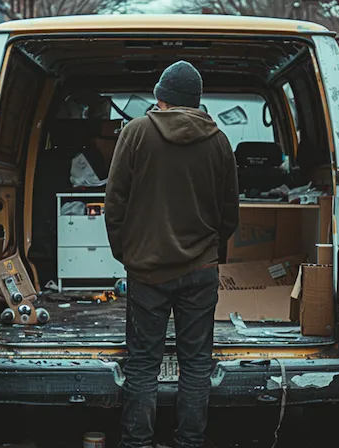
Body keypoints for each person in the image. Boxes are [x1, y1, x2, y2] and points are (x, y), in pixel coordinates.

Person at [105, 60, 239, 448]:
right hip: (200, 271)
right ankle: (189, 442)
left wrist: (127, 253)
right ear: (195, 102)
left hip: (147, 271)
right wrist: (210, 250)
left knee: (143, 364)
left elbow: (114, 204)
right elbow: (230, 212)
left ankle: (137, 443)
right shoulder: (218, 140)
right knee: (196, 365)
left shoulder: (135, 133)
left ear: (161, 97)